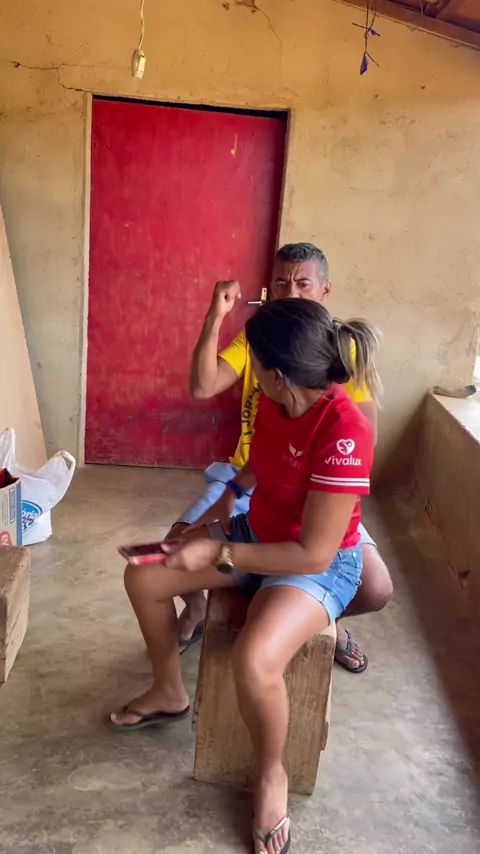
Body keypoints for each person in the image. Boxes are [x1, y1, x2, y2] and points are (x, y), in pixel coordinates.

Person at [110, 298, 379, 854]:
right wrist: (212, 515)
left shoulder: (344, 431)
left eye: (254, 361)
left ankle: (271, 774)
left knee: (254, 659)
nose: (248, 369)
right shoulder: (280, 402)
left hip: (319, 566)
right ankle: (167, 691)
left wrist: (219, 552)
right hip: (257, 535)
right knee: (145, 578)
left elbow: (312, 554)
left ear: (277, 374)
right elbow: (256, 466)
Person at [172, 243, 392, 671]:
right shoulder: (258, 341)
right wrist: (215, 315)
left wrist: (320, 491)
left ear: (325, 290)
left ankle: (318, 617)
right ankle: (202, 609)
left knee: (376, 587)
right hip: (246, 476)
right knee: (177, 541)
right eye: (281, 283)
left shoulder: (338, 353)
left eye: (302, 283)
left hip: (316, 489)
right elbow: (202, 386)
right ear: (269, 289)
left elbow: (360, 445)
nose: (290, 292)